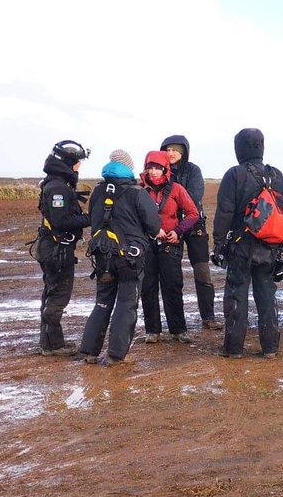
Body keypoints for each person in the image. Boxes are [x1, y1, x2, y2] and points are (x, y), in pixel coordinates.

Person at [211, 128, 283, 359]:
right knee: (267, 297)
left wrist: (218, 244)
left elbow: (225, 212)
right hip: (270, 249)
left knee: (237, 296)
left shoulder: (235, 174)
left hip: (241, 247)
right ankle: (270, 348)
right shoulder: (275, 174)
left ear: (239, 149)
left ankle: (234, 348)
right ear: (261, 147)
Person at [79, 150, 162, 366]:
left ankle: (89, 351)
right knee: (126, 304)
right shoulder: (137, 193)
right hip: (130, 260)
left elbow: (92, 219)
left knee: (102, 302)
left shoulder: (97, 192)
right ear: (129, 168)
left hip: (102, 256)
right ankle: (116, 355)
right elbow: (154, 225)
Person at [34, 140, 91, 356]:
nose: (78, 167)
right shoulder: (58, 187)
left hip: (52, 247)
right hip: (57, 249)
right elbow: (62, 221)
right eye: (77, 163)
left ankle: (48, 342)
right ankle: (53, 345)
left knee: (51, 293)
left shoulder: (54, 183)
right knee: (58, 295)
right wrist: (89, 219)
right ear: (68, 162)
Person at [139, 150, 200, 344]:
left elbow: (192, 213)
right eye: (151, 168)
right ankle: (152, 330)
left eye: (158, 168)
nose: (154, 172)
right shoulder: (139, 189)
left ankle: (178, 329)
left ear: (165, 169)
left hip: (170, 244)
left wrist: (178, 231)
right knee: (148, 287)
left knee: (172, 286)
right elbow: (132, 216)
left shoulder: (176, 189)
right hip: (146, 245)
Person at [161, 135, 220, 330]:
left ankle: (208, 316)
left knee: (202, 272)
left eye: (174, 150)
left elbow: (195, 195)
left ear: (183, 151)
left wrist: (174, 204)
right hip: (171, 227)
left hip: (194, 225)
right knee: (172, 275)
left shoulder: (193, 170)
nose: (170, 153)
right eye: (167, 150)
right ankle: (178, 324)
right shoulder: (161, 171)